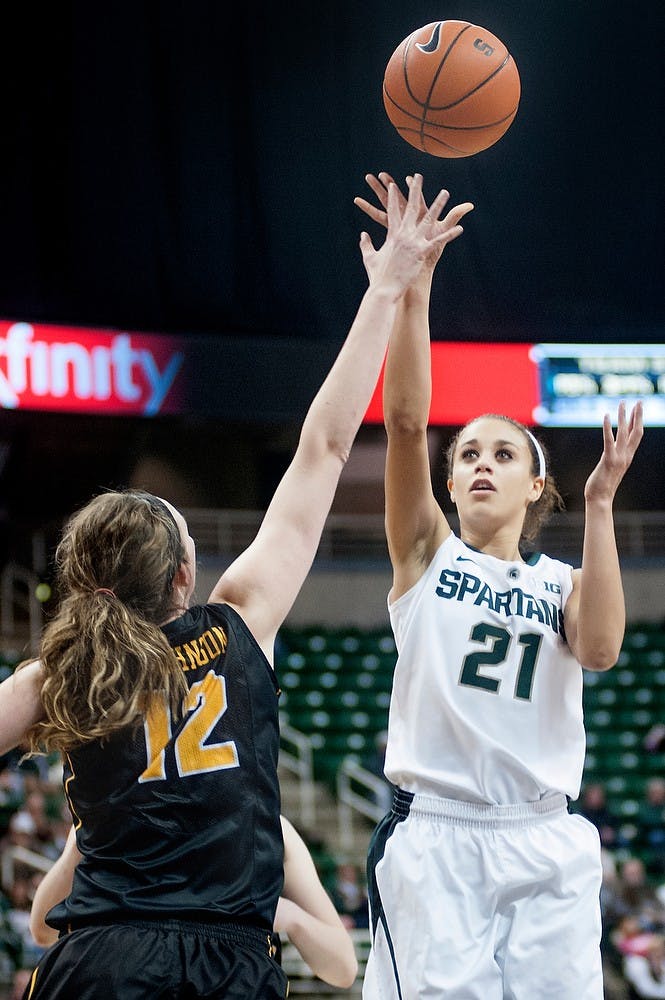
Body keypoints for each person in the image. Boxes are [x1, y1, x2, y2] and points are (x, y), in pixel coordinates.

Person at [0, 172, 468, 1000]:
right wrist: (387, 287)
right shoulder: (241, 617)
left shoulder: (54, 671)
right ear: (185, 573)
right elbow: (323, 445)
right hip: (224, 962)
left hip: (99, 961)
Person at [353, 171, 644, 999]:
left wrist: (598, 504)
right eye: (468, 455)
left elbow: (599, 648)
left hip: (546, 835)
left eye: (501, 453)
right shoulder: (425, 554)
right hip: (438, 839)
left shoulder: (561, 579)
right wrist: (417, 287)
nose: (480, 463)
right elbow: (406, 422)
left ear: (533, 486)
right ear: (448, 486)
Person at [29, 816, 358, 989]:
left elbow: (343, 967)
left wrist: (291, 916)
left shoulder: (272, 831)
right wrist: (79, 842)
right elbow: (43, 928)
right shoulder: (119, 811)